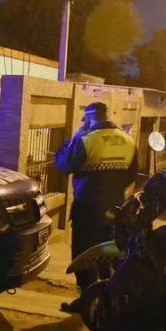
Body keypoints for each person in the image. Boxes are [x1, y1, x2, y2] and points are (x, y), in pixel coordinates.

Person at [54, 101, 137, 289]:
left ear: (89, 118)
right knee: (108, 251)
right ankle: (108, 291)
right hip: (116, 208)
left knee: (86, 252)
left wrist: (76, 134)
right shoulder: (128, 140)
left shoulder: (86, 140)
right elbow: (132, 176)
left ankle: (88, 294)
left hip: (87, 208)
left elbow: (63, 165)